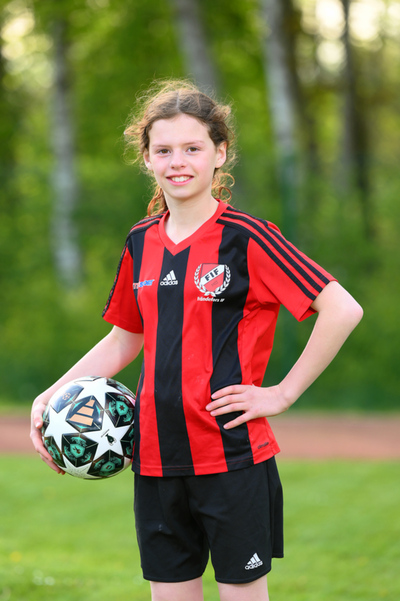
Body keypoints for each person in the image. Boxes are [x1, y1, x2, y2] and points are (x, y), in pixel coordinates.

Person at [31, 80, 363, 601]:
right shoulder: (141, 241)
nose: (177, 162)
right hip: (154, 458)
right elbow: (125, 338)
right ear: (147, 158)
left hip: (231, 456)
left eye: (192, 148)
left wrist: (282, 393)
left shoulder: (248, 237)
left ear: (219, 153)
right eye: (163, 150)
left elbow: (342, 309)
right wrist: (51, 395)